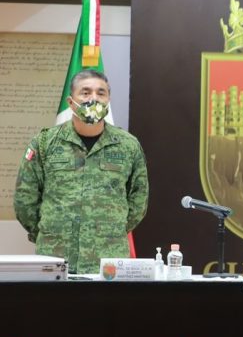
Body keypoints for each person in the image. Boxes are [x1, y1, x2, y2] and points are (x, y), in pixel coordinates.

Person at [14, 69, 149, 274]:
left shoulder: (128, 145)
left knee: (107, 307)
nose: (93, 98)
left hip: (107, 260)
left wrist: (110, 229)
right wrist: (47, 232)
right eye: (85, 93)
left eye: (100, 93)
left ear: (108, 100)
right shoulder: (44, 143)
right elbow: (25, 200)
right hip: (55, 256)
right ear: (70, 102)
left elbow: (139, 200)